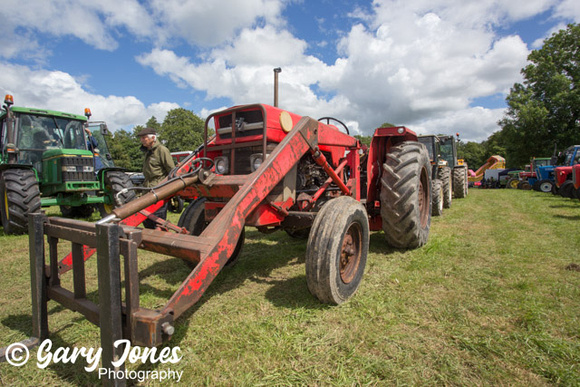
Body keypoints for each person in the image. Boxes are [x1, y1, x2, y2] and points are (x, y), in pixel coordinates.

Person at [138, 127, 175, 229]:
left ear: (153, 138)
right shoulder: (148, 152)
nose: (141, 140)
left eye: (144, 138)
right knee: (146, 218)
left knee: (157, 219)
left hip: (159, 189)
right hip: (147, 189)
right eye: (141, 138)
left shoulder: (162, 150)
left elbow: (172, 170)